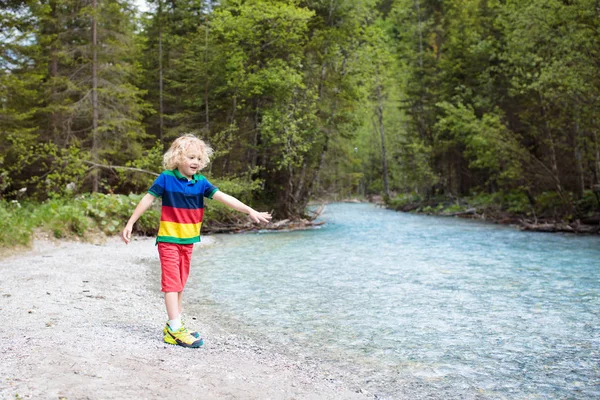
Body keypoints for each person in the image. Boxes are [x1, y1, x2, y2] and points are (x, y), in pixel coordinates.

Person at [121, 134, 272, 348]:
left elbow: (224, 197)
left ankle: (176, 325)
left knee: (180, 283)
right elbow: (148, 199)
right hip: (169, 240)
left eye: (199, 159)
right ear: (177, 157)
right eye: (191, 157)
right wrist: (130, 223)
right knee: (172, 284)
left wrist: (249, 210)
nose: (196, 162)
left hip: (188, 241)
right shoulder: (166, 178)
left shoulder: (200, 183)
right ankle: (175, 329)